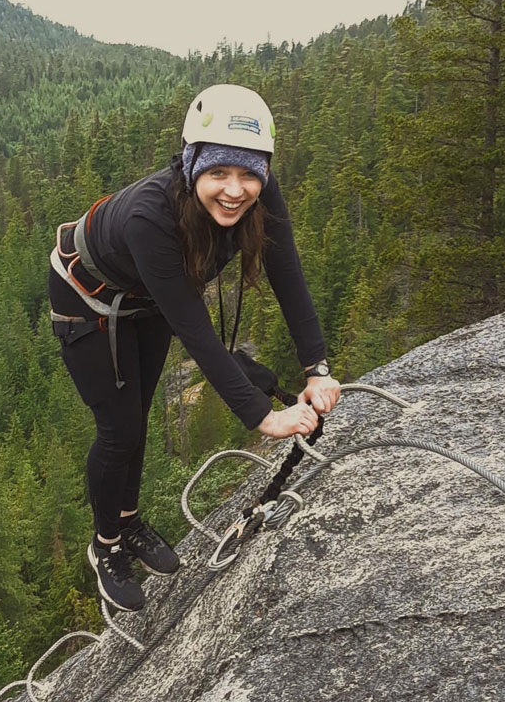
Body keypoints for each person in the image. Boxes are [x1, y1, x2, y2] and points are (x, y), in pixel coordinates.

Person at [48, 84, 340, 612]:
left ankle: (129, 519)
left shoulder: (259, 194)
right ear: (192, 165)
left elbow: (287, 273)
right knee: (121, 430)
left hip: (145, 299)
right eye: (219, 173)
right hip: (86, 300)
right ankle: (105, 544)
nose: (235, 190)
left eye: (250, 173)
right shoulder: (149, 217)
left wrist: (316, 367)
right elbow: (195, 328)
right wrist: (262, 418)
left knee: (136, 413)